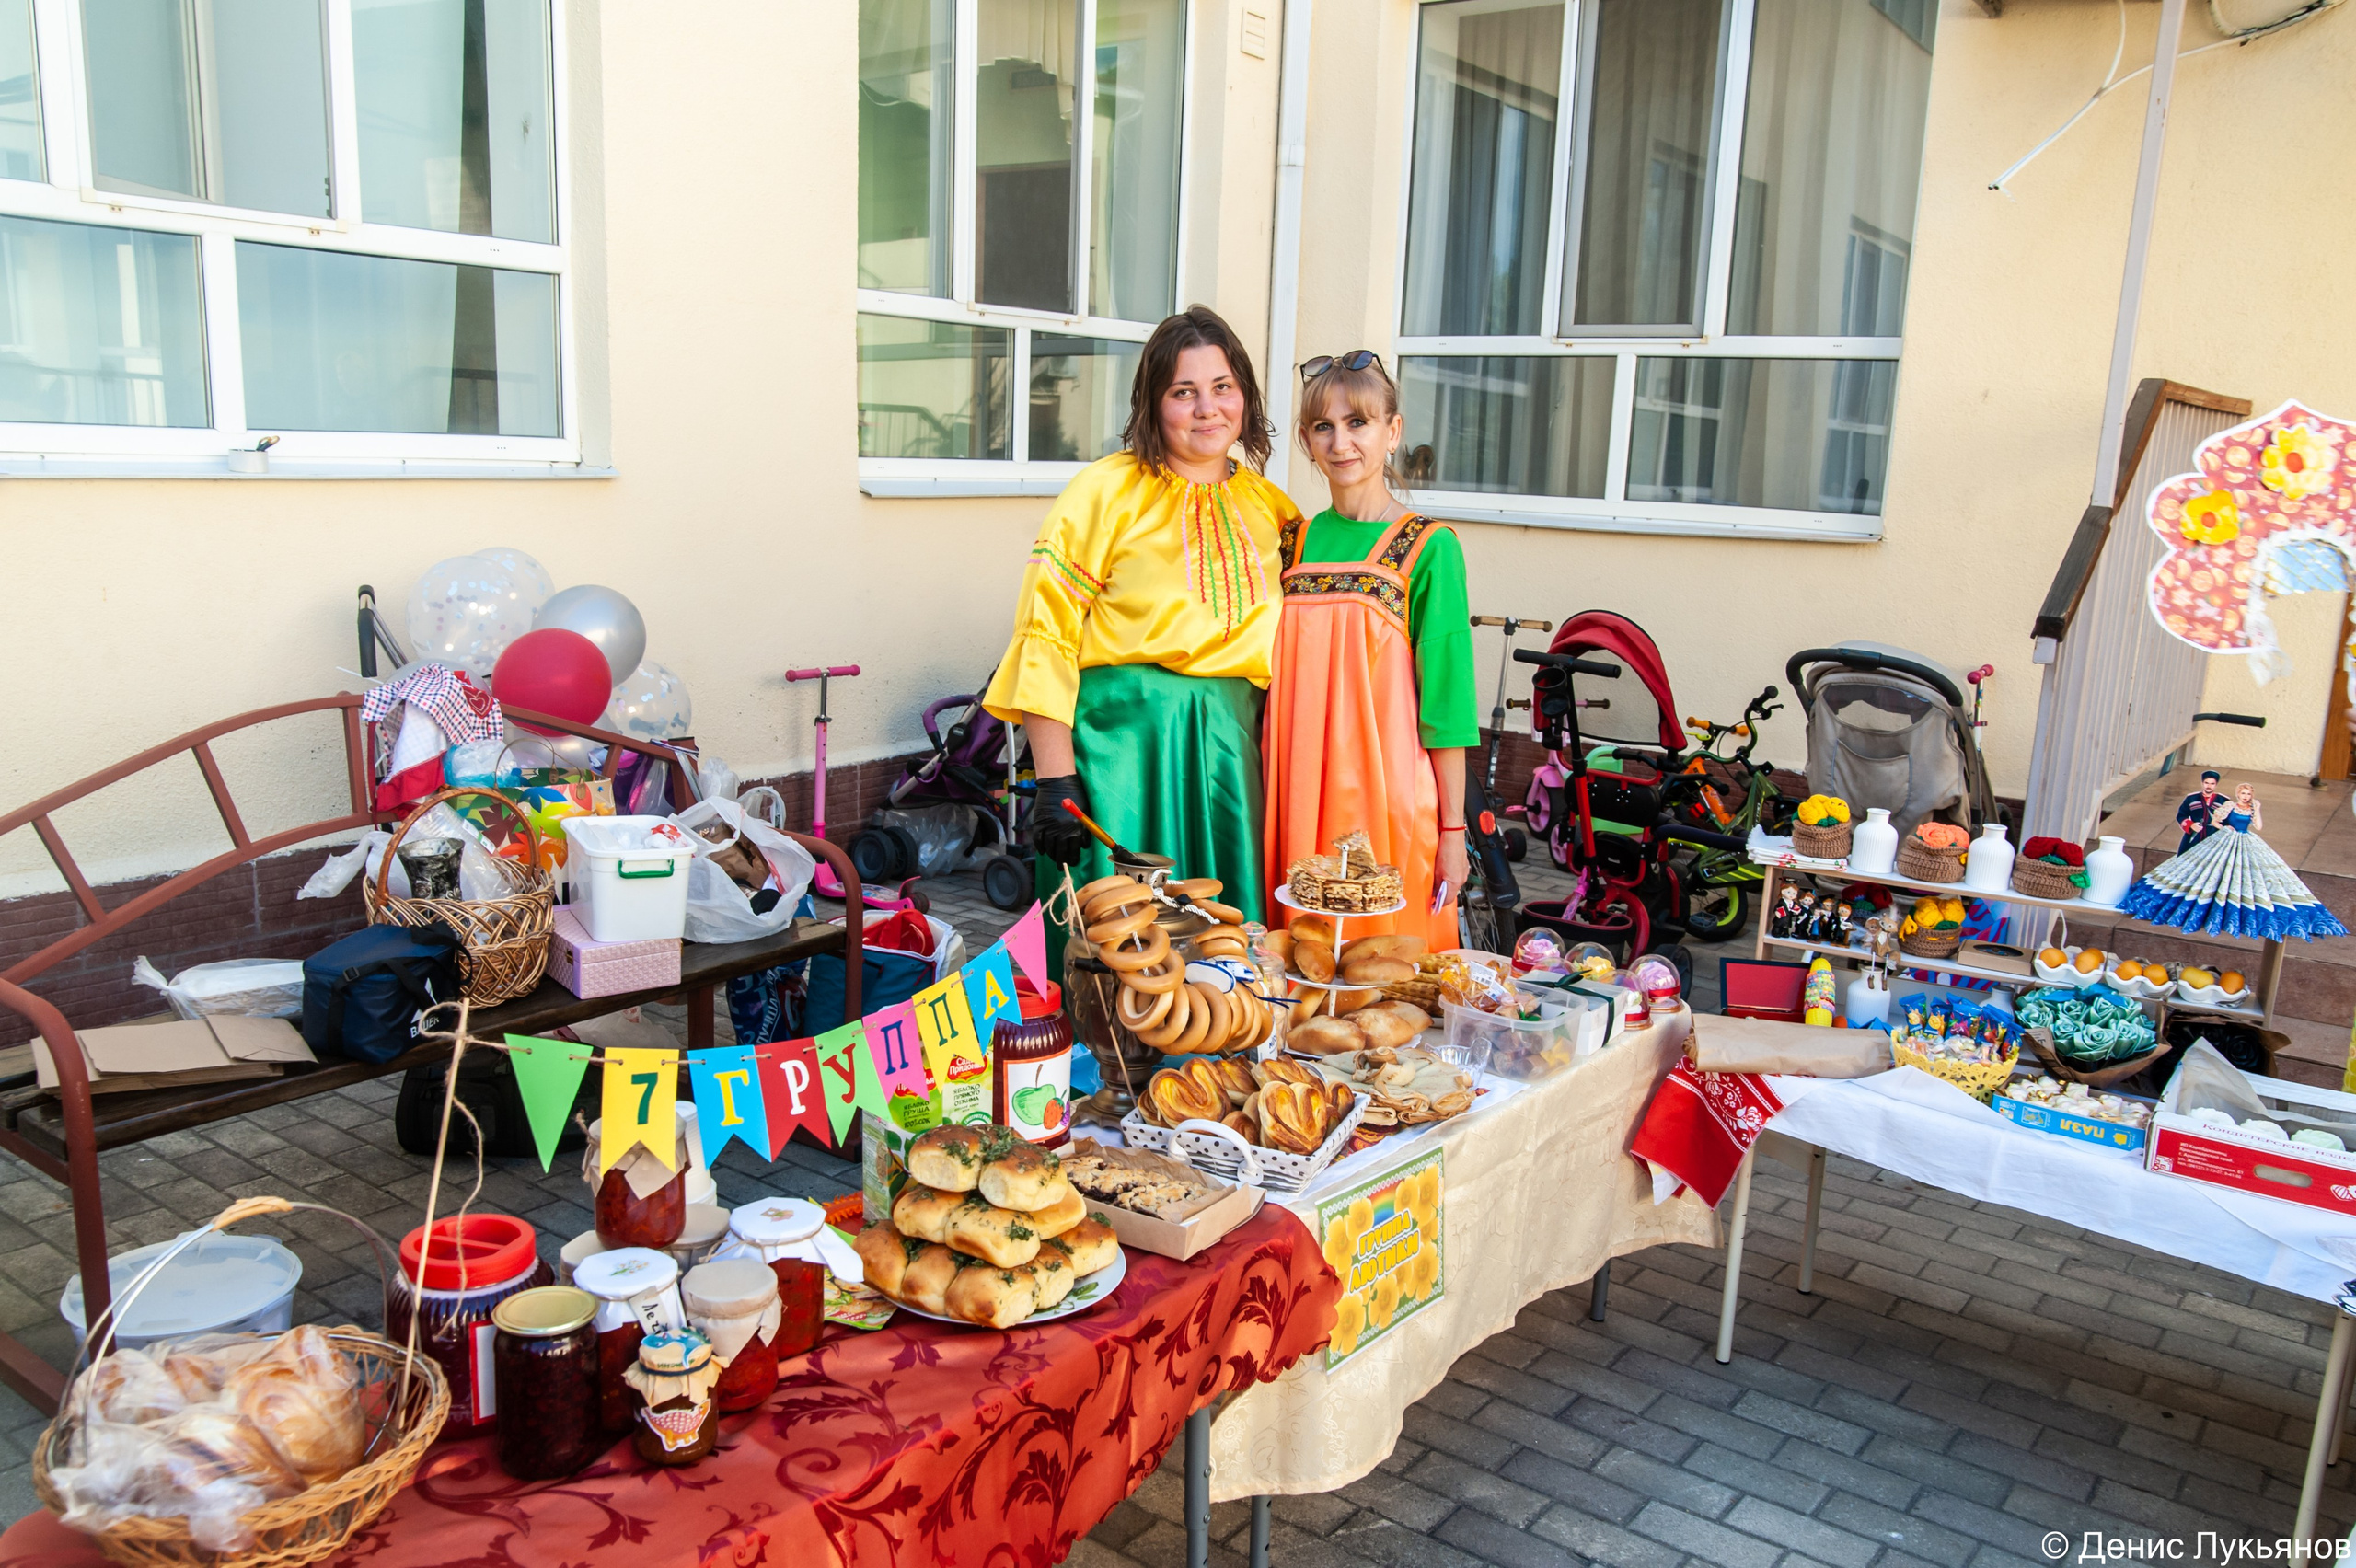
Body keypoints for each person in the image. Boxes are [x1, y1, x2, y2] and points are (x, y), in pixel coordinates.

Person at [983, 306, 1298, 951]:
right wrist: (1055, 781)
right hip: (1116, 760)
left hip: (1231, 767)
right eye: (1184, 392)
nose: (1207, 408)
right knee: (1112, 951)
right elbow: (1046, 635)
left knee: (1225, 954)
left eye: (1223, 388)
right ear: (1153, 403)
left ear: (1245, 396)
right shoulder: (1103, 492)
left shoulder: (1276, 512)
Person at [1261, 351, 1477, 947]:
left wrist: (1454, 832)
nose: (1341, 442)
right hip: (1293, 792)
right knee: (1302, 977)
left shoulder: (1428, 548)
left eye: (1358, 422)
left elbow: (1448, 707)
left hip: (1385, 801)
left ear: (1393, 431)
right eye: (1324, 427)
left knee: (1382, 974)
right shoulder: (1291, 543)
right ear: (1306, 439)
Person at [2125, 780, 2349, 940]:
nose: (2245, 797)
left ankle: (2236, 912)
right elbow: (2214, 821)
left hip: (2247, 841)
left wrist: (2258, 809)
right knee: (2210, 872)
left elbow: (2258, 827)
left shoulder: (2252, 808)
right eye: (2242, 794)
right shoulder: (2230, 806)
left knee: (2249, 877)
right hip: (2226, 839)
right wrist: (2226, 827)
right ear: (2238, 794)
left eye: (2247, 795)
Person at [2174, 768, 2224, 854]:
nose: (2209, 786)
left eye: (2212, 783)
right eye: (2206, 783)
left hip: (2213, 835)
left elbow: (2227, 821)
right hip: (2195, 834)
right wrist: (2191, 825)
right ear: (2202, 783)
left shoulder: (2223, 801)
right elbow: (2181, 815)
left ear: (2216, 785)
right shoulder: (2191, 798)